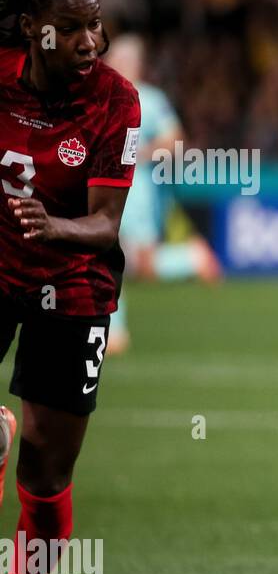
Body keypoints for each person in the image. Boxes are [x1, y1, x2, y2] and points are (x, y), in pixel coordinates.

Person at [0, 0, 141, 574]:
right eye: (71, 27)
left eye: (97, 25)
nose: (91, 41)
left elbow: (105, 224)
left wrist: (52, 227)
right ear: (32, 29)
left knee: (47, 467)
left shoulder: (117, 102)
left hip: (75, 281)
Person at [103, 34, 220, 355]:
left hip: (137, 191)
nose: (112, 64)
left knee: (131, 261)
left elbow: (174, 140)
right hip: (108, 186)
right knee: (123, 259)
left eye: (118, 59)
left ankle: (189, 259)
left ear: (133, 64)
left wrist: (141, 153)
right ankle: (189, 259)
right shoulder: (102, 96)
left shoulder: (150, 100)